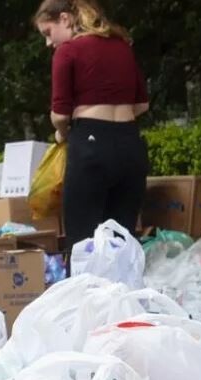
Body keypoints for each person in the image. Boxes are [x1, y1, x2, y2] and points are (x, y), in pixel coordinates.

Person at [35, 0, 150, 251]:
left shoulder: (68, 51)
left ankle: (81, 291)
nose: (48, 42)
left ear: (65, 19)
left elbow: (60, 114)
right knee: (122, 241)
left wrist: (61, 134)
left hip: (90, 144)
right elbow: (142, 105)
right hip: (131, 146)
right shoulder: (122, 46)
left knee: (82, 241)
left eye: (48, 32)